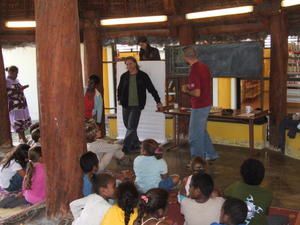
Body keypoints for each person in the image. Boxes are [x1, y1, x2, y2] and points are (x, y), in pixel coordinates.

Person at [117, 57, 162, 154]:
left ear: (135, 63)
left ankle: (126, 148)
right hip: (125, 104)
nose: (128, 66)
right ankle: (136, 143)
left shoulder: (143, 76)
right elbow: (119, 89)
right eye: (127, 64)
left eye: (130, 63)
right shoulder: (124, 76)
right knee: (128, 125)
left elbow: (151, 89)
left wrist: (158, 101)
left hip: (137, 105)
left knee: (131, 126)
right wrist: (119, 99)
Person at [181, 47, 218, 161]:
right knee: (201, 131)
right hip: (206, 103)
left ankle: (197, 160)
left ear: (185, 58)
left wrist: (185, 90)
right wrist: (189, 86)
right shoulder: (203, 66)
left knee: (194, 136)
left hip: (199, 105)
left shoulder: (194, 70)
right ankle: (211, 154)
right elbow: (200, 85)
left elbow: (197, 93)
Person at [224, 159, 272, 225]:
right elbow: (265, 213)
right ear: (262, 176)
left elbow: (225, 198)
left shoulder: (234, 187)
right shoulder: (268, 194)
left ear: (242, 174)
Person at [6, 66, 32, 143]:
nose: (17, 75)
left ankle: (21, 139)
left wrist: (21, 88)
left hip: (21, 104)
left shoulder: (16, 80)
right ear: (11, 72)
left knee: (22, 121)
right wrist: (19, 89)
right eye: (16, 73)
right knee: (17, 122)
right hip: (15, 105)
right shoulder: (7, 82)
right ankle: (24, 139)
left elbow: (17, 89)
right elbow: (8, 93)